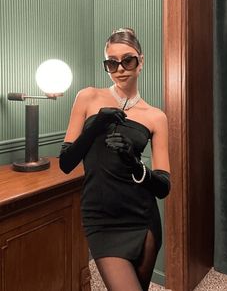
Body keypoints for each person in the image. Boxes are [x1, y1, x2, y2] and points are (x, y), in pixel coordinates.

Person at [59, 27, 171, 291]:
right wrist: (96, 125)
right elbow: (66, 163)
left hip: (142, 218)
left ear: (141, 61)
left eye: (128, 60)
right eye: (112, 62)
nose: (120, 68)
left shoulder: (155, 116)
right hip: (102, 217)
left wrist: (135, 163)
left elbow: (164, 186)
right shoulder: (87, 97)